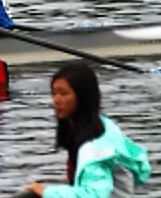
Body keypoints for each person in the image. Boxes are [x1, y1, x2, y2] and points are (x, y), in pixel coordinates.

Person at [23, 63, 151, 198]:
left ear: (83, 97)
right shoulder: (104, 125)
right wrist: (78, 178)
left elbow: (94, 195)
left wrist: (47, 193)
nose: (57, 100)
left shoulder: (91, 147)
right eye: (54, 93)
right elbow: (140, 168)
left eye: (64, 93)